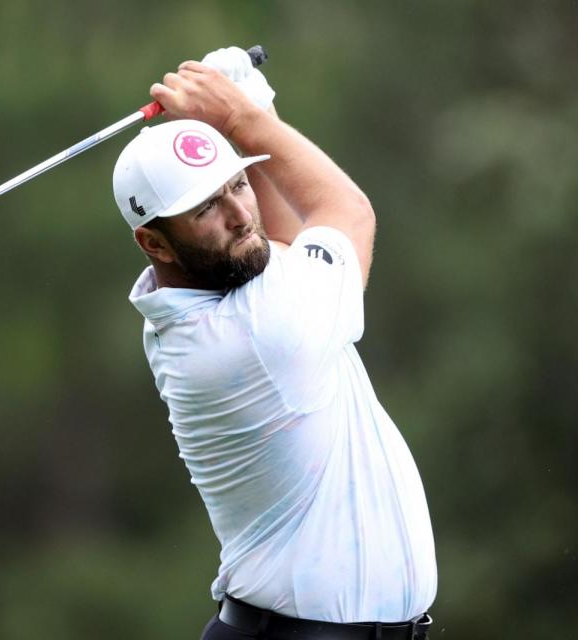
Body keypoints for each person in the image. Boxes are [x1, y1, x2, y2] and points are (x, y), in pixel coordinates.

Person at [112, 47, 437, 640]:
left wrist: (250, 110)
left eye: (238, 183)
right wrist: (243, 118)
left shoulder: (207, 298)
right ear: (154, 244)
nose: (241, 215)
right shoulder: (254, 337)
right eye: (207, 206)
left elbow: (280, 246)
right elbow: (347, 213)